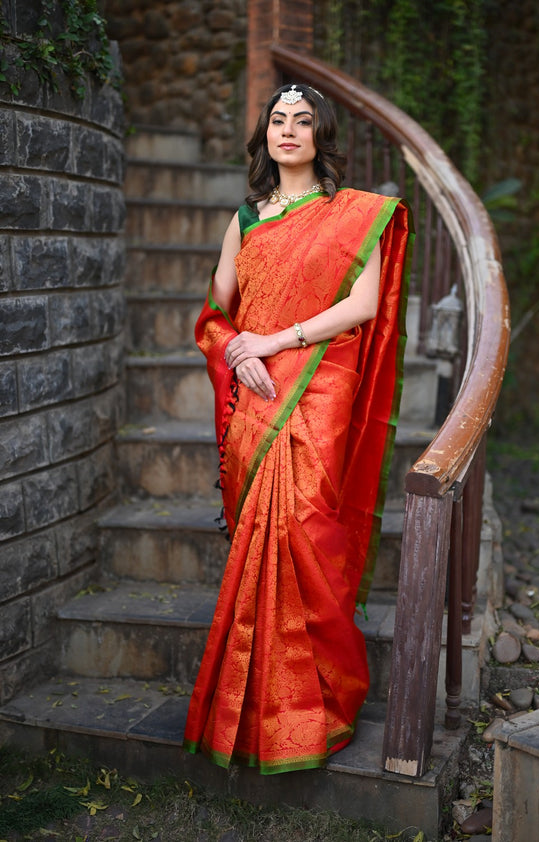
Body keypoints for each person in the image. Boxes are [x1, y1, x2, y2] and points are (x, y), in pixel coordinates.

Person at [183, 83, 413, 774]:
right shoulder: (245, 220)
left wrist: (274, 340)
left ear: (322, 135)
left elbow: (365, 303)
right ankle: (252, 715)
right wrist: (233, 350)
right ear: (264, 136)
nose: (288, 130)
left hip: (319, 385)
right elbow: (216, 315)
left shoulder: (354, 216)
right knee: (260, 535)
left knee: (308, 530)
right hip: (257, 391)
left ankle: (320, 706)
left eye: (302, 121)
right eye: (277, 120)